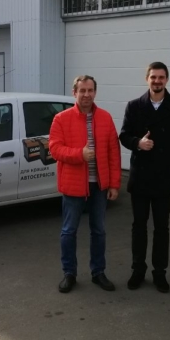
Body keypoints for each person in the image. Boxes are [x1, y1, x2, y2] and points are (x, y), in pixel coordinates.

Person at [119, 62, 170, 292]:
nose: (157, 81)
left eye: (161, 77)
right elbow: (124, 135)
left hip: (163, 176)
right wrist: (137, 143)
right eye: (153, 77)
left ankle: (160, 273)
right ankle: (138, 270)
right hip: (140, 175)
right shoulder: (134, 106)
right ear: (147, 79)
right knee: (138, 226)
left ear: (167, 79)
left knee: (162, 227)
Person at [49, 75, 121, 293]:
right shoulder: (61, 119)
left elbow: (113, 152)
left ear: (95, 92)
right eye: (82, 91)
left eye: (90, 90)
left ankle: (98, 272)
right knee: (69, 231)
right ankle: (69, 273)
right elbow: (55, 149)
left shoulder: (105, 118)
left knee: (99, 231)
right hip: (73, 186)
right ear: (74, 93)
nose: (86, 95)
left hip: (99, 186)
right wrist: (79, 154)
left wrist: (114, 184)